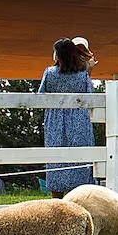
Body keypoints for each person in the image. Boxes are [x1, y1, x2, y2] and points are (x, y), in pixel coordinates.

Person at [42, 36, 97, 196]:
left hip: (55, 120)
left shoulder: (50, 73)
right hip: (79, 119)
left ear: (57, 55)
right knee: (80, 156)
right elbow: (90, 96)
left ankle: (57, 197)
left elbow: (41, 94)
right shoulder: (82, 75)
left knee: (56, 157)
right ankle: (81, 195)